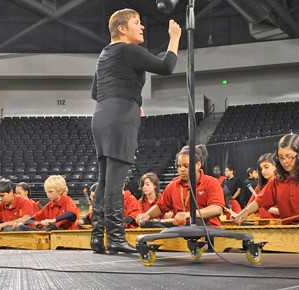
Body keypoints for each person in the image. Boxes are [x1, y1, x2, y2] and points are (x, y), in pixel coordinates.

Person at [90, 8, 181, 254]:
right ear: (122, 28)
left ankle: (98, 237)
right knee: (115, 180)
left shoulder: (105, 54)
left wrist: (131, 99)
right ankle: (117, 239)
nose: (142, 27)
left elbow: (95, 93)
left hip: (101, 115)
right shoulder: (129, 49)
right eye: (137, 22)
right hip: (120, 117)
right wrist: (174, 37)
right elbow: (166, 67)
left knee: (104, 178)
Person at [234, 134, 299, 230]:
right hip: (289, 232)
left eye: (289, 156)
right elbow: (259, 202)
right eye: (281, 157)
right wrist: (246, 212)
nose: (284, 161)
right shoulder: (276, 181)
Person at [136, 144, 225, 227]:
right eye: (179, 166)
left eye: (186, 166)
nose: (181, 169)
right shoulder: (173, 185)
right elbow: (160, 207)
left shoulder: (211, 182)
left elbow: (217, 209)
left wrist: (189, 214)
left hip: (208, 231)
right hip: (181, 231)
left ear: (198, 165)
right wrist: (147, 215)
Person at [14, 175, 79, 231]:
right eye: (46, 192)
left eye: (50, 192)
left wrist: (54, 220)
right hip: (51, 234)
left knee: (50, 227)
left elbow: (71, 213)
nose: (48, 194)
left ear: (60, 191)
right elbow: (36, 217)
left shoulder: (67, 200)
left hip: (65, 234)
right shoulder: (49, 205)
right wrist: (23, 222)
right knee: (21, 227)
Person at [246, 153, 280, 218]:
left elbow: (288, 212)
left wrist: (267, 207)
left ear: (275, 166)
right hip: (263, 224)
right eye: (261, 169)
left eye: (266, 167)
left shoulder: (283, 184)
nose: (263, 171)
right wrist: (240, 215)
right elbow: (249, 207)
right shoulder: (260, 186)